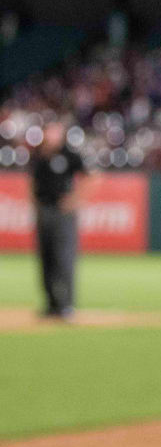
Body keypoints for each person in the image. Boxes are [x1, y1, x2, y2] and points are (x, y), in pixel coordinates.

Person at [29, 121, 87, 319]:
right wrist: (35, 205)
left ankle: (67, 304)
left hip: (63, 213)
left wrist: (75, 199)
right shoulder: (39, 156)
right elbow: (32, 183)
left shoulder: (69, 155)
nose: (51, 135)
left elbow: (92, 176)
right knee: (46, 258)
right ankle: (51, 303)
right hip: (44, 210)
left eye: (55, 132)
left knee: (64, 258)